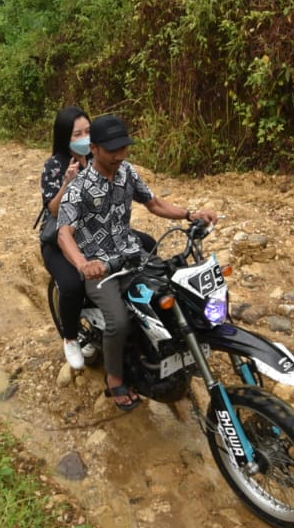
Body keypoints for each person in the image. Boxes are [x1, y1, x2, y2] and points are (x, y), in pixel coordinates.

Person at [56, 114, 217, 411]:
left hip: (133, 256)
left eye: (124, 148)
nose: (119, 154)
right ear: (94, 149)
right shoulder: (78, 187)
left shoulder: (127, 172)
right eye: (111, 149)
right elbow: (64, 232)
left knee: (171, 291)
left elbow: (154, 203)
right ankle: (115, 379)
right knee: (119, 321)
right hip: (100, 269)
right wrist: (82, 263)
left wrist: (188, 214)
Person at [38, 106, 93, 370]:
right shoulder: (55, 166)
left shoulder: (97, 158)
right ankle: (70, 337)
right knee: (72, 285)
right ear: (64, 137)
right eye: (77, 134)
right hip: (59, 241)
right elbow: (53, 209)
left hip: (95, 234)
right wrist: (68, 183)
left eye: (88, 132)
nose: (84, 138)